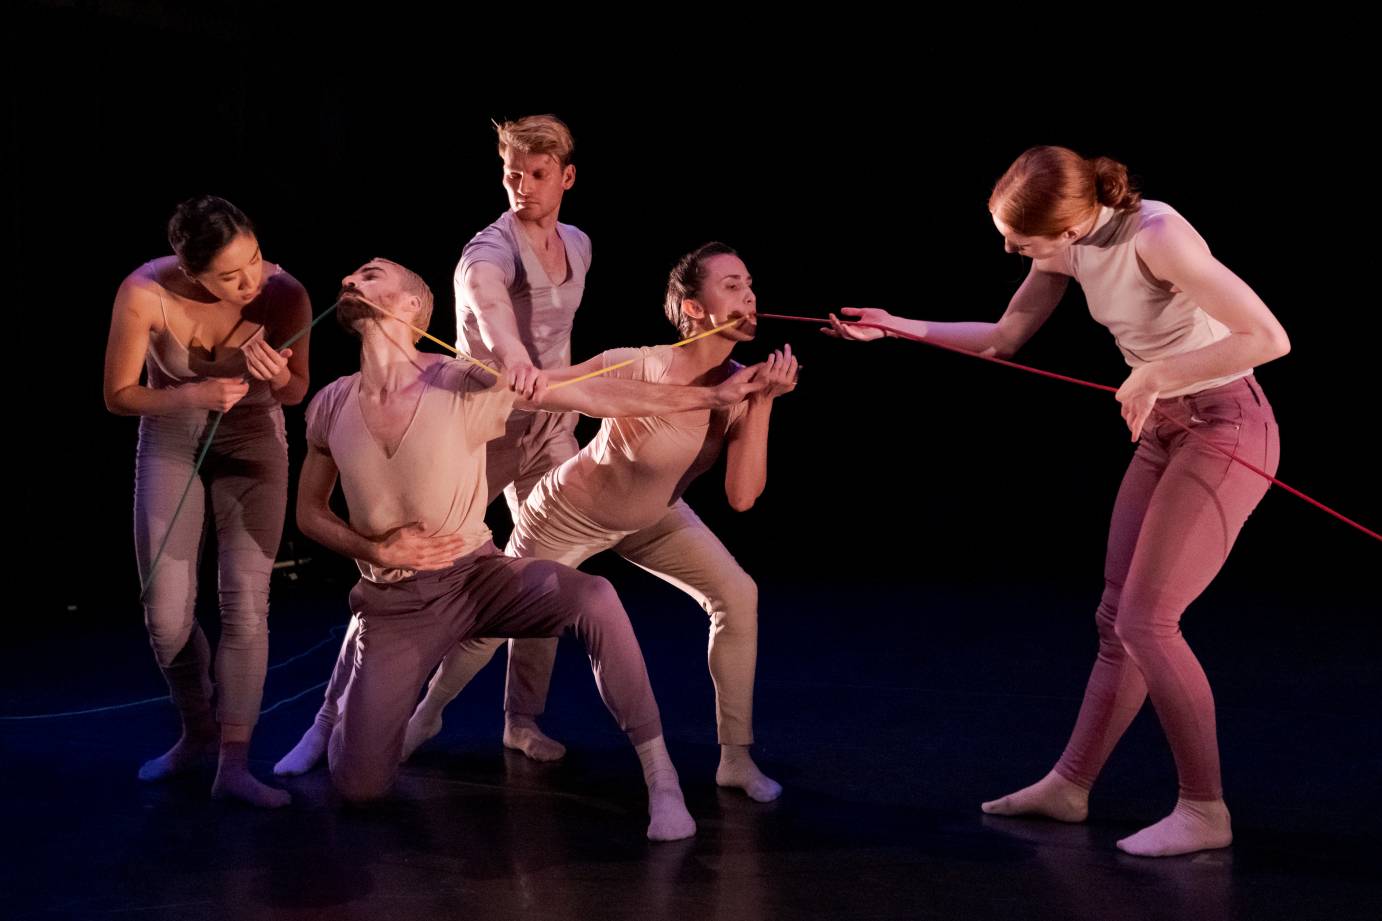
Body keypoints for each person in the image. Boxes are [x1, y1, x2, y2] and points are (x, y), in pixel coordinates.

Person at [828, 146, 1289, 857]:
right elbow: (1005, 338)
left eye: (1019, 240)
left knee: (1150, 621)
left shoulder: (1156, 237)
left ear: (1071, 228)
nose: (1010, 249)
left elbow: (1268, 337)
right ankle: (1071, 785)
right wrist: (895, 325)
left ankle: (1205, 808)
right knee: (1117, 618)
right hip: (1166, 428)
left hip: (1228, 427)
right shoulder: (1069, 248)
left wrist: (1155, 372)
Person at [301, 256, 767, 839]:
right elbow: (309, 514)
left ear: (412, 307)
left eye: (370, 275)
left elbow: (596, 397)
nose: (349, 278)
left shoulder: (462, 380)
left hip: (494, 567)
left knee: (600, 598)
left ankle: (664, 776)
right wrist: (379, 552)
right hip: (419, 588)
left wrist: (720, 400)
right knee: (360, 787)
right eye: (351, 274)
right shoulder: (331, 402)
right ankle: (357, 720)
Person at [405, 243, 796, 803]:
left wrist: (762, 404)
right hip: (568, 512)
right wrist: (528, 378)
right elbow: (558, 387)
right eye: (731, 286)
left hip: (654, 518)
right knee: (499, 620)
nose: (750, 295)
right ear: (692, 308)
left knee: (738, 594)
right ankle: (435, 716)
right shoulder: (641, 363)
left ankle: (734, 756)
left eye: (749, 283)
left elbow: (740, 497)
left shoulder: (742, 386)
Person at [276, 113, 590, 773]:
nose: (523, 187)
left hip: (550, 429)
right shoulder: (486, 252)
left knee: (550, 575)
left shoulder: (581, 245)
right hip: (481, 424)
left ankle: (520, 719)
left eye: (537, 175)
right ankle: (325, 720)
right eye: (512, 175)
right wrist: (513, 360)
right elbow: (493, 308)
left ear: (565, 178)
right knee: (401, 570)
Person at [103, 195, 311, 807]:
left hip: (252, 439)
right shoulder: (144, 292)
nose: (249, 281)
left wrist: (275, 377)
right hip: (172, 434)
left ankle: (236, 763)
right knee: (165, 614)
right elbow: (118, 395)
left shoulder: (283, 292)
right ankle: (196, 731)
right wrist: (192, 396)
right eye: (228, 275)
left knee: (245, 602)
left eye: (253, 259)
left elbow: (296, 393)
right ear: (190, 271)